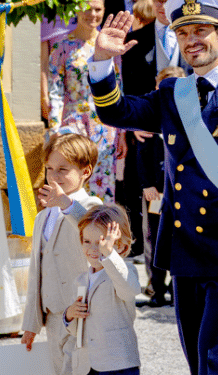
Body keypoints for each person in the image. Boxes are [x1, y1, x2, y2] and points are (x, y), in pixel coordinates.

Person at [87, 0, 218, 375]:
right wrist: (101, 60)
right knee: (198, 361)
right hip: (184, 249)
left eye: (201, 30)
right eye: (183, 33)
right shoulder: (173, 94)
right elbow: (117, 112)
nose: (191, 40)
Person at [20, 133, 104, 375]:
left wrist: (65, 204)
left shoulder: (92, 206)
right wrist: (31, 323)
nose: (54, 176)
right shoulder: (42, 217)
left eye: (63, 170)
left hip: (83, 311)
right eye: (49, 169)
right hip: (53, 314)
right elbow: (36, 272)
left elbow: (90, 226)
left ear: (85, 171)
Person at [118, 0, 190, 257]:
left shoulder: (194, 36)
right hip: (147, 132)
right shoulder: (136, 40)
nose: (163, 7)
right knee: (144, 193)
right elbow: (128, 88)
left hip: (187, 131)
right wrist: (133, 123)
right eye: (158, 1)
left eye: (169, 1)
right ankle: (145, 256)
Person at [47, 0, 124, 203]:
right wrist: (55, 127)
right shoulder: (62, 47)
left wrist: (122, 131)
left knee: (102, 185)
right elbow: (55, 90)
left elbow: (119, 87)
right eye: (87, 9)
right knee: (70, 182)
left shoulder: (110, 45)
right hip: (72, 124)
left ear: (104, 10)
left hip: (105, 125)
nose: (92, 14)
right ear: (77, 10)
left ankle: (100, 224)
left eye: (98, 9)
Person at [66, 204, 141, 375]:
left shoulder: (125, 272)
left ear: (120, 246)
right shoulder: (81, 280)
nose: (93, 249)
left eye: (101, 243)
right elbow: (77, 330)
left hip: (118, 365)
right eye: (87, 241)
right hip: (87, 365)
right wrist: (70, 314)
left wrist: (109, 254)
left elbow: (129, 290)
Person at [137, 66, 186, 307]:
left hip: (182, 192)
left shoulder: (190, 118)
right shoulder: (150, 119)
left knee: (180, 240)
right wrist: (146, 184)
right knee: (155, 239)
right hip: (156, 191)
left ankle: (178, 289)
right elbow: (142, 155)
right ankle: (156, 288)